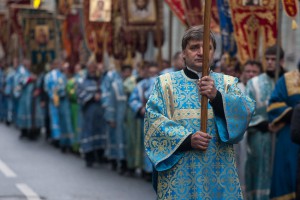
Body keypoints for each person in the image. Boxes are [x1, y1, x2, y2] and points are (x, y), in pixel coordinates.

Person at [144, 25, 255, 199]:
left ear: (214, 53)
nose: (201, 52)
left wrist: (217, 97)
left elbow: (245, 114)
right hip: (180, 173)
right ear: (183, 53)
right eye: (194, 47)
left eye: (207, 48)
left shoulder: (227, 83)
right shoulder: (165, 84)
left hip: (218, 174)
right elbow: (153, 123)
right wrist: (188, 139)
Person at [244, 52, 280, 199]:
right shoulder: (254, 83)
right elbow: (246, 111)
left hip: (281, 137)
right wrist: (263, 124)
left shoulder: (286, 81)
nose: (270, 62)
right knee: (258, 173)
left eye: (274, 59)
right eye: (268, 59)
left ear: (281, 60)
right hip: (259, 136)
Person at [267, 59, 300, 199]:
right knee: (288, 170)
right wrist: (295, 114)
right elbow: (274, 105)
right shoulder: (287, 79)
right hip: (291, 133)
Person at [234, 60, 262, 195]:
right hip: (239, 137)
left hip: (258, 135)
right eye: (248, 71)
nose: (251, 74)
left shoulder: (263, 89)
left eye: (254, 72)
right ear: (242, 73)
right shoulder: (235, 88)